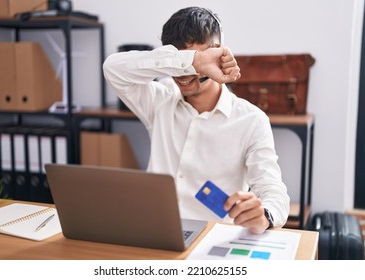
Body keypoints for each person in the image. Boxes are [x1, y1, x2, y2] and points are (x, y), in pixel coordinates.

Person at [103, 6, 289, 234]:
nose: (183, 75)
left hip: (213, 240)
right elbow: (112, 68)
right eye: (180, 62)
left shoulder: (252, 120)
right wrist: (193, 61)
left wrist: (265, 214)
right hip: (156, 231)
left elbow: (273, 190)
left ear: (218, 53)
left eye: (194, 62)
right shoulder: (159, 99)